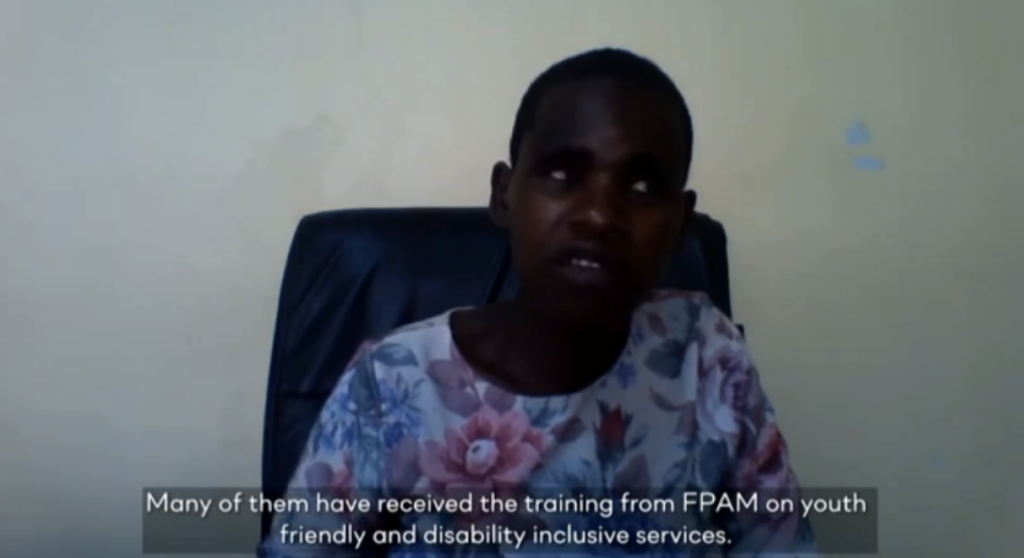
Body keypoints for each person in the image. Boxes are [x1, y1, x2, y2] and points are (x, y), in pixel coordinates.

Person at [260, 48, 818, 557]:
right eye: (561, 173)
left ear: (678, 223)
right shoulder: (391, 384)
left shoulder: (707, 354)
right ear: (505, 194)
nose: (600, 215)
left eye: (644, 187)